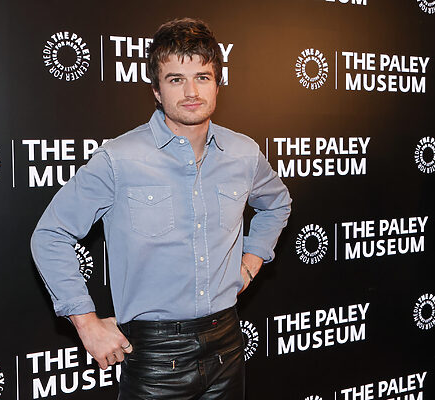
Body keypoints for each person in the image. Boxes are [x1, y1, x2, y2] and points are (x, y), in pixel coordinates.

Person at [31, 17, 291, 400]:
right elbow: (51, 235)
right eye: (175, 79)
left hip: (227, 343)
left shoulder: (243, 152)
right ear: (156, 89)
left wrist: (251, 262)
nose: (191, 91)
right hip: (154, 356)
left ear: (218, 84)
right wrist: (86, 323)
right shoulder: (118, 159)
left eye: (202, 77)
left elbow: (277, 203)